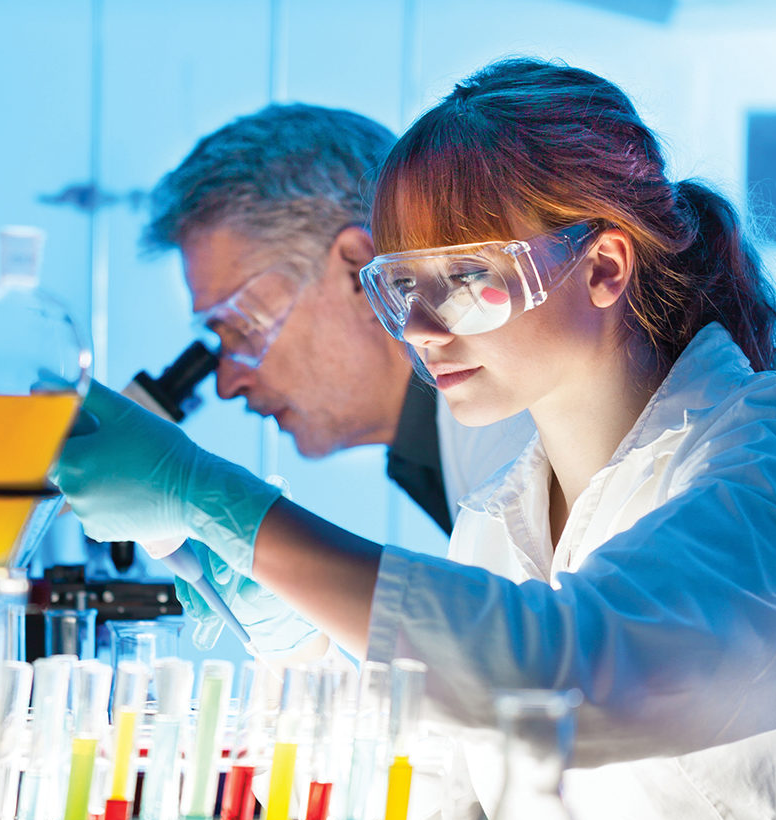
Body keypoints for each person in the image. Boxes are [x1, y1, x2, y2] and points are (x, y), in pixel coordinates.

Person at [56, 57, 776, 820]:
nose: (424, 329)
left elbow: (562, 677)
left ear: (605, 267)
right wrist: (295, 640)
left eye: (468, 275)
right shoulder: (497, 526)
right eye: (403, 286)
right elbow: (402, 812)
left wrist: (224, 503)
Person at [144, 103, 532, 538]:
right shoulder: (437, 448)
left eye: (243, 329)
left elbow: (517, 608)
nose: (227, 383)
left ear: (359, 272)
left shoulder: (512, 431)